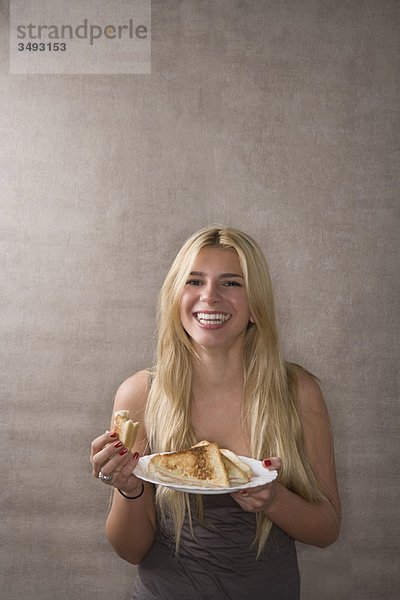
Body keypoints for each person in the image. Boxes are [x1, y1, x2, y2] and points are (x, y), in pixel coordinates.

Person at [90, 225, 341, 600]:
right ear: (176, 297)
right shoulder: (140, 394)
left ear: (256, 305)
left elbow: (326, 530)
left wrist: (273, 500)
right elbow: (130, 551)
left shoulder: (298, 393)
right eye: (194, 281)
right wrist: (129, 487)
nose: (210, 296)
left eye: (231, 283)